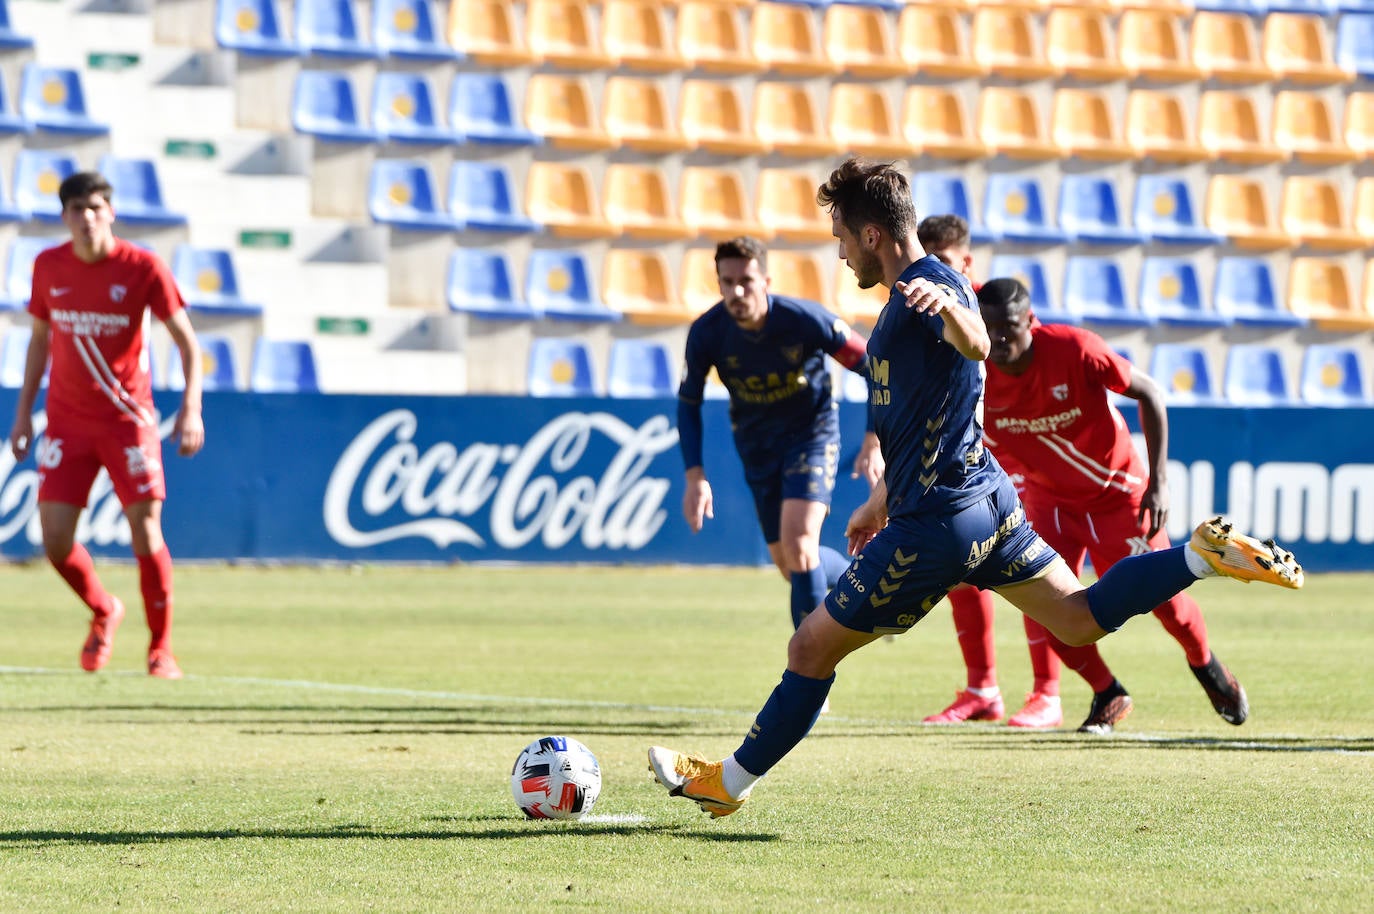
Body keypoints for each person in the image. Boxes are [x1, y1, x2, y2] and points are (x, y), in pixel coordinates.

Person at [647, 157, 1303, 818]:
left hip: (934, 526)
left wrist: (956, 318)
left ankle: (727, 784)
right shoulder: (914, 293)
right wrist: (879, 498)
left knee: (809, 646)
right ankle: (1201, 557)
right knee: (1076, 619)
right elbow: (931, 404)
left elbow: (975, 344)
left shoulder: (929, 287)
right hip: (986, 503)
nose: (840, 253)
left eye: (842, 237)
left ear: (872, 235)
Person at [926, 278, 1251, 734]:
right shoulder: (973, 374)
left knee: (1169, 608)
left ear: (1031, 322)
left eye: (1010, 328)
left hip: (1118, 494)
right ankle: (1107, 692)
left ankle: (1205, 664)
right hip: (1049, 502)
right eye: (990, 327)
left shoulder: (1075, 349)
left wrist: (1159, 482)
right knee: (1047, 607)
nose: (999, 340)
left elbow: (1151, 394)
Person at [7, 171, 204, 679]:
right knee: (53, 540)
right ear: (64, 216)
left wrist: (191, 407)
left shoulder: (143, 267)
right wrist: (24, 411)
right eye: (76, 208)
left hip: (127, 419)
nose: (87, 217)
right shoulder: (48, 266)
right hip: (68, 423)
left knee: (145, 530)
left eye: (95, 207)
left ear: (111, 212)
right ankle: (103, 609)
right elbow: (39, 341)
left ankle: (161, 649)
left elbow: (186, 342)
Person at [678, 236, 883, 637]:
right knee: (792, 565)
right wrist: (694, 477)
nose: (737, 291)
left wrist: (873, 439)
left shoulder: (804, 320)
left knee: (800, 543)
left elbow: (874, 369)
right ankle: (869, 588)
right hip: (757, 449)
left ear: (766, 280)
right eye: (727, 282)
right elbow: (688, 404)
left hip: (812, 436)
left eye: (747, 281)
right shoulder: (707, 333)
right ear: (718, 284)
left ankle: (809, 673)